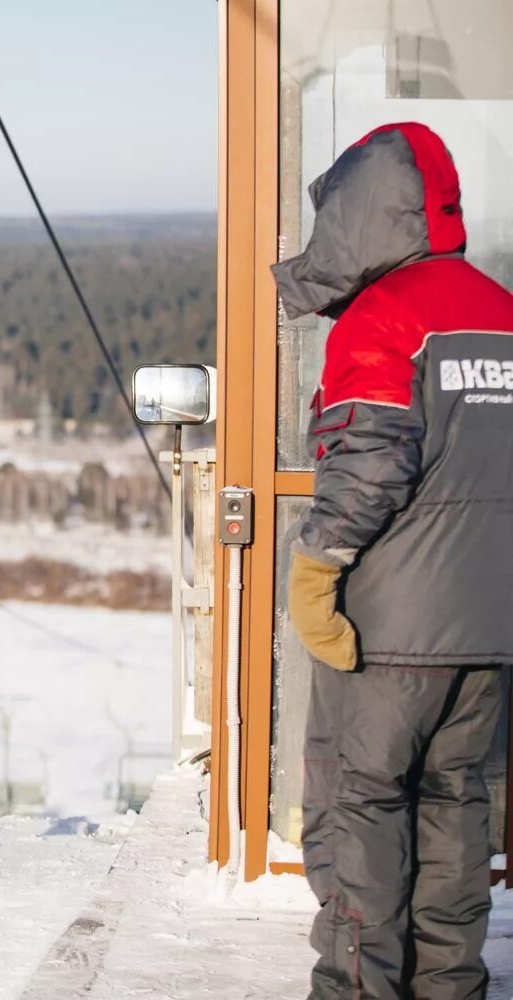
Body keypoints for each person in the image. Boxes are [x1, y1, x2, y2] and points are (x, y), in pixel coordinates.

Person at [274, 122, 513, 1000]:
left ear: (362, 213)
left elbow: (370, 457)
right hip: (490, 631)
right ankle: (451, 988)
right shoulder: (502, 311)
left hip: (388, 631)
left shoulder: (386, 318)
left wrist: (318, 569)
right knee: (457, 808)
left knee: (360, 813)